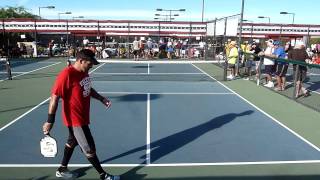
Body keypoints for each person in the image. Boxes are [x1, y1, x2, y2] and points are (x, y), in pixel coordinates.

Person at [42, 49, 120, 180]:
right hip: (75, 120)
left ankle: (61, 169)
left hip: (83, 117)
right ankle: (103, 175)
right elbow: (54, 98)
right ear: (81, 61)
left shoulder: (84, 72)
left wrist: (101, 98)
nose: (92, 65)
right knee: (89, 148)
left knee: (72, 141)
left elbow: (87, 88)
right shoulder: (67, 74)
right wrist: (50, 121)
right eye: (90, 63)